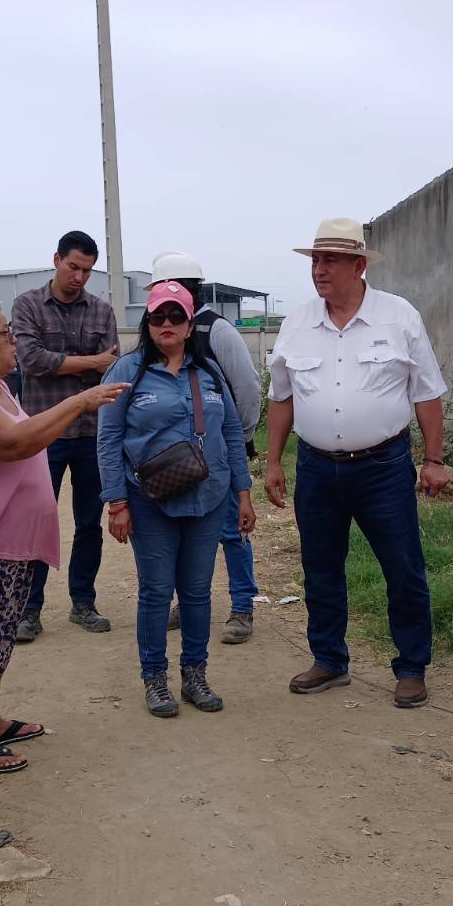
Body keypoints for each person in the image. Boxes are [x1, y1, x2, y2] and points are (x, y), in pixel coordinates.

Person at [264, 218, 449, 709]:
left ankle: (411, 667)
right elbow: (281, 397)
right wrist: (273, 461)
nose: (319, 270)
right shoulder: (297, 323)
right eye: (315, 261)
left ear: (359, 266)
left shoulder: (398, 316)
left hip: (383, 467)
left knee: (403, 568)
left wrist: (434, 460)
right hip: (316, 468)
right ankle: (329, 659)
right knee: (320, 567)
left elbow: (427, 392)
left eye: (331, 261)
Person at [0, 299, 127, 765]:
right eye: (6, 334)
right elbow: (15, 443)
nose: (15, 341)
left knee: (0, 635)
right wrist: (79, 401)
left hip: (11, 542)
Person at [99, 282, 255, 716]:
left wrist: (243, 493)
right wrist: (117, 503)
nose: (166, 324)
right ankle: (155, 679)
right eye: (157, 317)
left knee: (197, 592)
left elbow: (231, 433)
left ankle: (195, 675)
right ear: (147, 323)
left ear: (189, 325)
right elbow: (108, 438)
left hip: (209, 497)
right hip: (150, 501)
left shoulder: (209, 372)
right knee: (155, 592)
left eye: (175, 316)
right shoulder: (127, 371)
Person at [11, 231, 121, 642]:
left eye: (87, 271)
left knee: (89, 522)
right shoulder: (27, 305)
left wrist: (69, 363)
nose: (79, 277)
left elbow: (111, 368)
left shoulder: (102, 311)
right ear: (56, 259)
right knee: (37, 519)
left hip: (92, 433)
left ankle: (83, 602)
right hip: (44, 431)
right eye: (73, 267)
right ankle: (29, 609)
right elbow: (31, 360)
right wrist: (91, 361)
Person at [151, 252, 264, 645]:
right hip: (175, 460)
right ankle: (190, 602)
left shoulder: (217, 331)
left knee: (233, 531)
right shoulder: (160, 334)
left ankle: (242, 606)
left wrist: (240, 439)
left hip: (217, 455)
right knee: (184, 532)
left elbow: (247, 388)